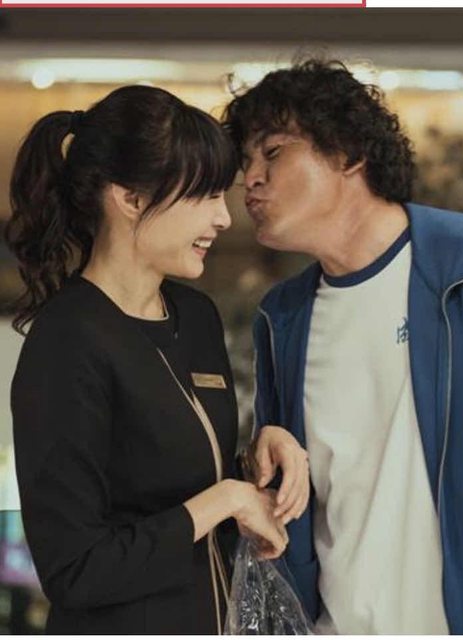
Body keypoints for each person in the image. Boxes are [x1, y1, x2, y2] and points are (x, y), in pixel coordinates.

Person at [223, 59, 463, 634]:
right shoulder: (282, 318)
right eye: (245, 164)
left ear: (349, 153)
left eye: (272, 152)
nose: (250, 179)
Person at [5, 85, 309, 634]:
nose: (224, 217)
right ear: (131, 199)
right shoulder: (68, 341)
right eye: (204, 195)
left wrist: (255, 463)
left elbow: (170, 481)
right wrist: (225, 500)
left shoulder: (195, 315)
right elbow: (76, 571)